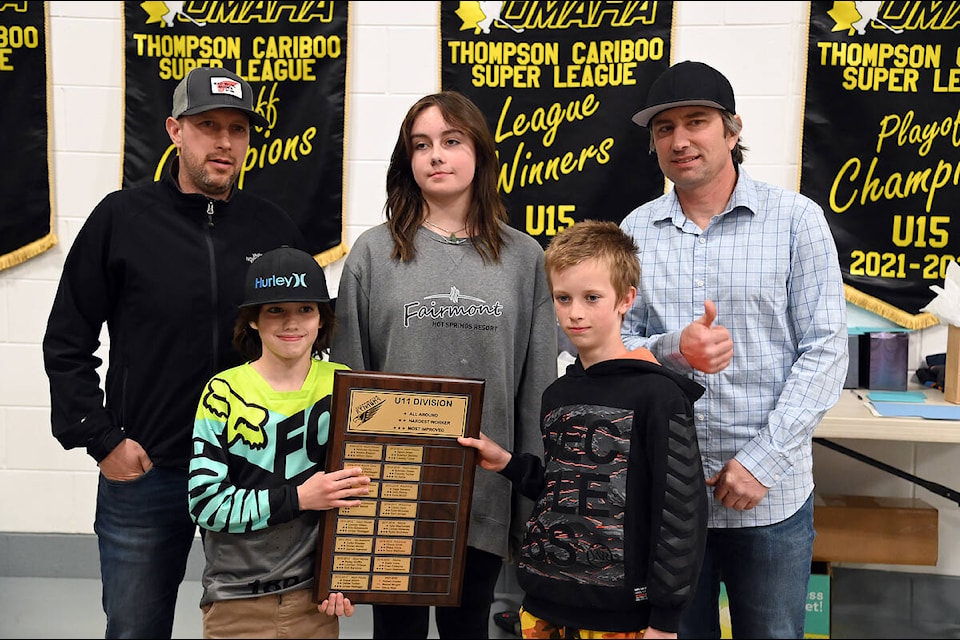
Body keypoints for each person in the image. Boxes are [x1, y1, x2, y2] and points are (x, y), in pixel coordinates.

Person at [42, 66, 306, 638]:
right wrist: (103, 439)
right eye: (207, 125)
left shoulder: (273, 227)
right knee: (135, 628)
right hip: (148, 467)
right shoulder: (122, 219)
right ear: (173, 130)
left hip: (251, 473)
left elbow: (302, 343)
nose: (224, 142)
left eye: (238, 129)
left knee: (258, 630)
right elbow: (67, 340)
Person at [621, 60, 849, 639]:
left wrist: (762, 461)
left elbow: (824, 351)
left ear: (732, 129)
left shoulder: (797, 221)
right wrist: (675, 348)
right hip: (671, 495)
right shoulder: (635, 232)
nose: (680, 140)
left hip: (770, 499)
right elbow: (612, 346)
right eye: (664, 128)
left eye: (696, 122)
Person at [330, 90, 559, 639]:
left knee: (468, 627)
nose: (436, 156)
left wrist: (532, 493)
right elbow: (348, 377)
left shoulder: (524, 257)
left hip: (484, 487)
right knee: (397, 632)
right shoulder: (372, 253)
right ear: (406, 161)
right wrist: (351, 506)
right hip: (392, 491)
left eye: (451, 142)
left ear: (478, 152)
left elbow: (537, 386)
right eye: (421, 145)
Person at [460, 220, 708, 640]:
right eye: (563, 298)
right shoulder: (557, 393)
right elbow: (566, 487)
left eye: (592, 298)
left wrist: (665, 621)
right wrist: (507, 463)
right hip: (543, 606)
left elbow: (681, 514)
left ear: (625, 299)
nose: (575, 312)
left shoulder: (658, 395)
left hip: (619, 618)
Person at [188, 246, 369, 638]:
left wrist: (345, 575)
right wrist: (300, 498)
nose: (292, 323)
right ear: (253, 320)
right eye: (275, 310)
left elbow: (363, 496)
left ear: (322, 318)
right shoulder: (223, 392)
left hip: (314, 602)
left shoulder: (346, 386)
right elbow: (205, 504)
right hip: (236, 601)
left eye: (306, 309)